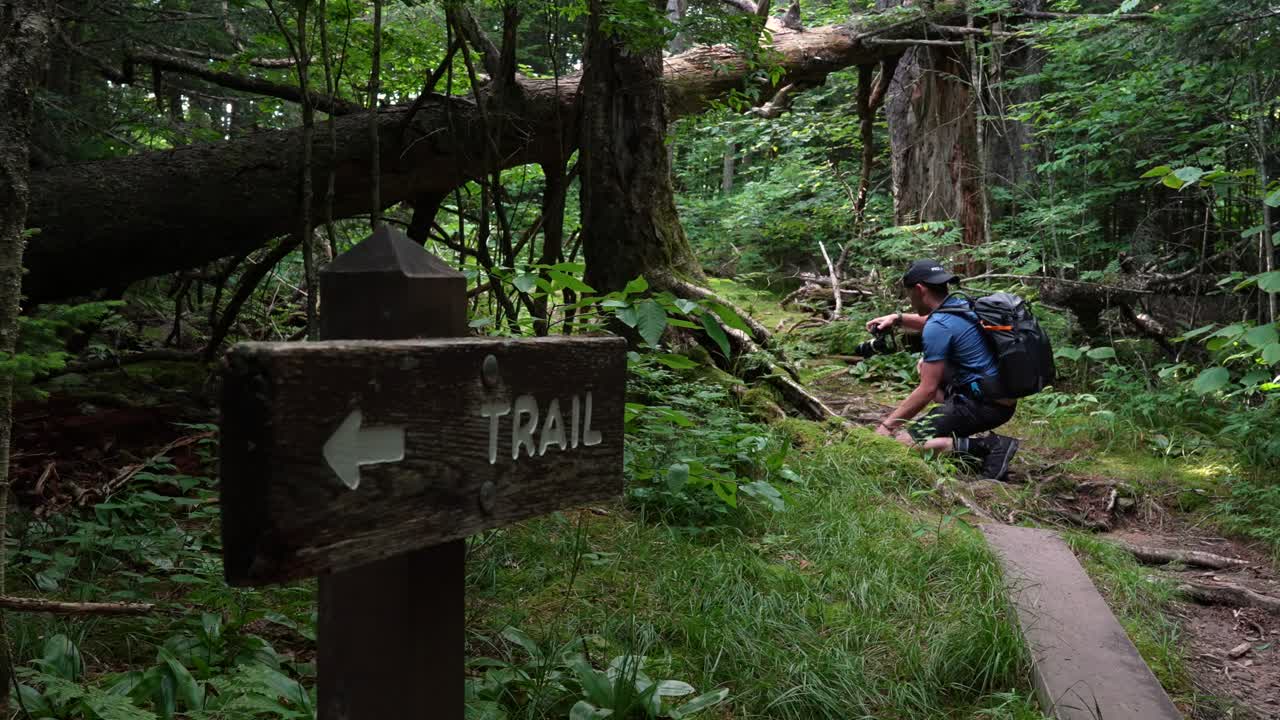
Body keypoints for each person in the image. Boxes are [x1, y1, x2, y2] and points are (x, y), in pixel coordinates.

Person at [865, 259, 1019, 480]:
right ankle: (955, 428)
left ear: (919, 289)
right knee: (923, 365)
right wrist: (897, 319)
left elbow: (927, 390)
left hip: (982, 405)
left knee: (903, 444)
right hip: (998, 397)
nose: (910, 300)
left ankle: (989, 447)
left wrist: (887, 426)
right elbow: (930, 320)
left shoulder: (939, 326)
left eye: (909, 294)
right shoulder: (962, 307)